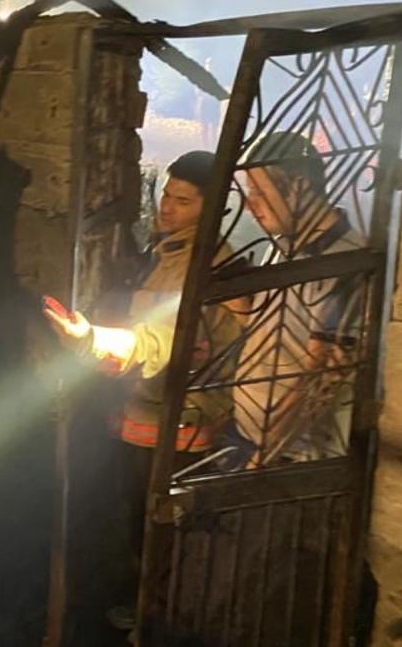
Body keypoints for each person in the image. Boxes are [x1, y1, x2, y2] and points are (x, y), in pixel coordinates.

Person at [43, 150, 242, 460]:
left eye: (183, 202)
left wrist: (91, 342)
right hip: (148, 412)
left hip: (176, 426)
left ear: (213, 207)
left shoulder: (200, 266)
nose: (167, 207)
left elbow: (161, 339)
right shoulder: (170, 249)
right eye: (167, 195)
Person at [233, 131, 367, 464]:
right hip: (254, 443)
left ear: (299, 186)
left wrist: (260, 461)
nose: (250, 205)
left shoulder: (346, 264)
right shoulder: (282, 247)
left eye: (259, 192)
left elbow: (320, 377)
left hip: (293, 460)